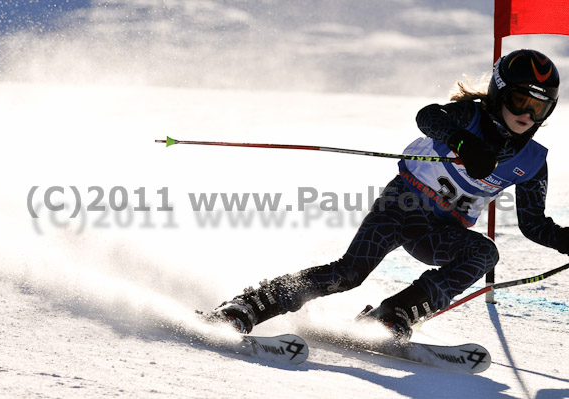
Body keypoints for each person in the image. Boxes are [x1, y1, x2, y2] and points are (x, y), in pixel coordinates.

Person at [207, 49, 568, 340]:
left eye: (538, 107)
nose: (526, 114)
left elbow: (534, 224)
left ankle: (395, 313)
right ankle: (249, 306)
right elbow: (428, 117)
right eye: (520, 100)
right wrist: (463, 142)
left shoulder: (532, 161)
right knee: (349, 273)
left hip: (439, 232)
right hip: (402, 205)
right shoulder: (467, 115)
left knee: (484, 252)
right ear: (498, 93)